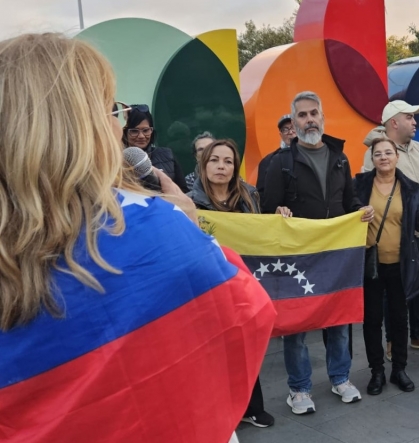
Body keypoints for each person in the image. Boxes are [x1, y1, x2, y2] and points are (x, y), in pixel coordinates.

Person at [0, 33, 272, 443]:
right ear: (82, 127)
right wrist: (190, 228)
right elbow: (247, 313)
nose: (121, 126)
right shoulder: (156, 226)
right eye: (112, 109)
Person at [261, 91, 374, 413]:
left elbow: (349, 201)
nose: (309, 119)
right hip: (297, 257)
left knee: (338, 319)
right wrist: (277, 212)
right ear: (294, 122)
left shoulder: (340, 158)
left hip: (335, 255)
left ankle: (340, 378)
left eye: (313, 113)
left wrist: (360, 210)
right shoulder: (280, 162)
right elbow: (267, 209)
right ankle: (299, 389)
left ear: (322, 117)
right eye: (302, 115)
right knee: (295, 325)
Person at [187, 139, 273, 427]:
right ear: (203, 165)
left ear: (235, 167)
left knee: (245, 346)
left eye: (227, 161)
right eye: (214, 160)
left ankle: (251, 407)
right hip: (207, 288)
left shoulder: (250, 196)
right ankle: (219, 413)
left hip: (243, 284)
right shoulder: (188, 203)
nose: (221, 166)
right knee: (212, 352)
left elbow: (260, 236)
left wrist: (279, 219)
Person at [362, 101, 419, 357]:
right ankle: (393, 339)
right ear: (394, 122)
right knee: (393, 291)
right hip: (397, 235)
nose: (415, 122)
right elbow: (369, 191)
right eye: (409, 117)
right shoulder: (376, 152)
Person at [355, 138, 419, 395]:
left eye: (388, 152)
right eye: (378, 154)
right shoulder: (359, 184)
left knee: (400, 319)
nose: (384, 157)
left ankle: (399, 369)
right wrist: (358, 211)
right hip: (370, 266)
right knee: (372, 320)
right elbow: (348, 211)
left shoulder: (412, 188)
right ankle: (376, 371)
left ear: (397, 157)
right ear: (372, 159)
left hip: (402, 265)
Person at [123, 105, 189, 192]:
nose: (141, 136)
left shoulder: (167, 155)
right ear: (125, 133)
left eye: (146, 130)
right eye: (134, 131)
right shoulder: (117, 160)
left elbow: (183, 191)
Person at [256, 114, 295, 198]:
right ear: (280, 134)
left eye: (293, 127)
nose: (290, 132)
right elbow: (261, 194)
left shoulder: (311, 156)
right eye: (285, 129)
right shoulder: (268, 161)